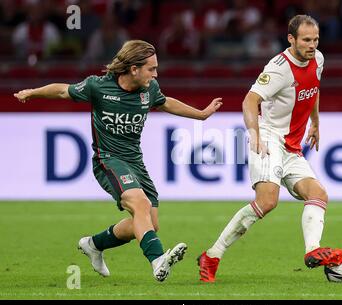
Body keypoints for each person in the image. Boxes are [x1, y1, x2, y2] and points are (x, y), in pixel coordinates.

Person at [14, 40, 223, 282]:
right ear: (134, 69)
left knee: (148, 223)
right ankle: (157, 261)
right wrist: (32, 92)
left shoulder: (149, 89)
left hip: (135, 162)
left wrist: (201, 114)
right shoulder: (98, 87)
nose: (155, 74)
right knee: (140, 204)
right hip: (108, 160)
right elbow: (63, 90)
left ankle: (93, 244)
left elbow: (165, 102)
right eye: (151, 69)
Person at [198, 15, 342, 283]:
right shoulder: (278, 68)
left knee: (318, 193)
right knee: (267, 201)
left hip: (292, 146)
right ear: (291, 39)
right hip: (268, 138)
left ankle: (313, 251)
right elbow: (249, 100)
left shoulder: (319, 59)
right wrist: (254, 132)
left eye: (315, 39)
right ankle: (212, 255)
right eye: (306, 40)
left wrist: (315, 122)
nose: (312, 45)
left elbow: (313, 89)